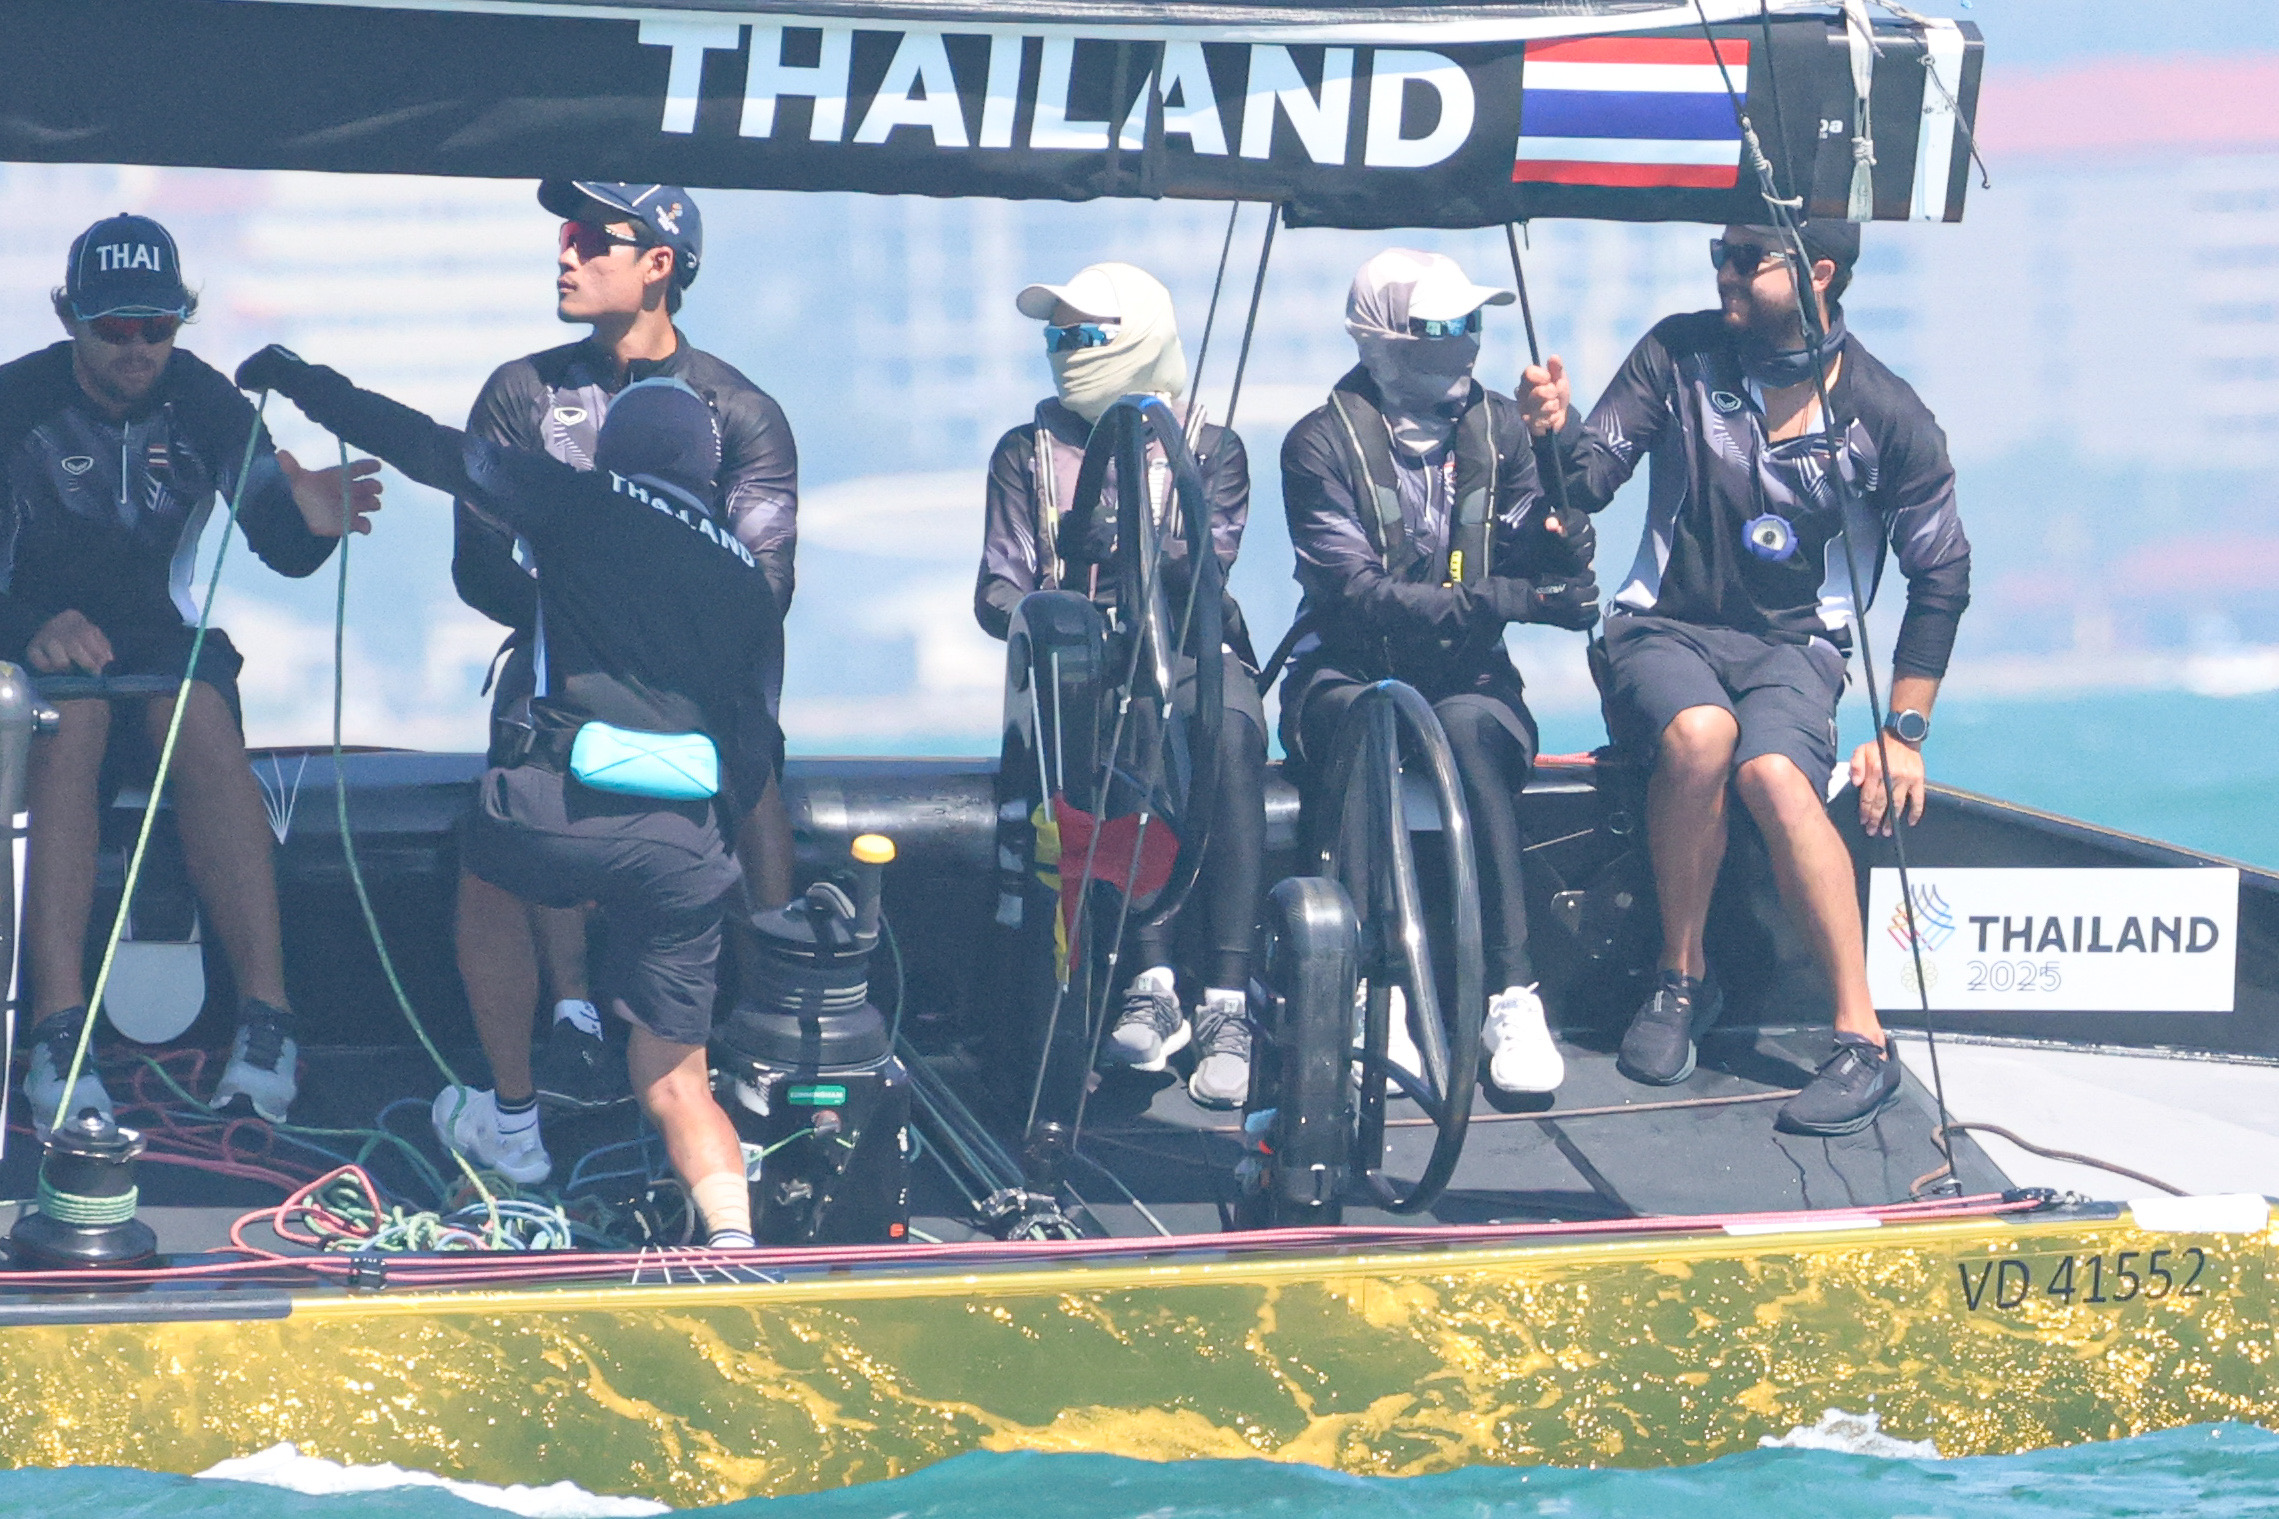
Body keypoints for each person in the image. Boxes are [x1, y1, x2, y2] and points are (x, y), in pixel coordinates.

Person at [239, 343, 780, 1248]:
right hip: (688, 845)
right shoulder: (747, 580)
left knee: (490, 863)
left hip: (553, 813)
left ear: (615, 452)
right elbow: (755, 741)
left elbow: (428, 447)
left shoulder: (579, 497)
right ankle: (733, 1236)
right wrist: (710, 845)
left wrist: (302, 382)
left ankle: (514, 1122)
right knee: (679, 1081)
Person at [1519, 220, 1971, 1136]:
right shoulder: (1677, 355)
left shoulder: (1888, 414)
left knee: (1771, 773)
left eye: (1741, 259)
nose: (1720, 272)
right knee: (1701, 736)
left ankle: (1862, 1040)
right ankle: (1679, 979)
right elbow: (1588, 481)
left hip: (1796, 652)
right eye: (1716, 254)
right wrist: (1553, 434)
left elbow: (1942, 575)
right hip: (1662, 629)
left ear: (1816, 272)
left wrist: (1903, 733)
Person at [0, 214, 380, 1132]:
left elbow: (282, 545)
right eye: (113, 327)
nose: (137, 348)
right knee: (73, 722)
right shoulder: (16, 401)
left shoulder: (205, 401)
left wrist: (315, 522)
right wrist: (32, 624)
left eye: (157, 326)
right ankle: (59, 1031)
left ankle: (266, 1020)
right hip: (31, 647)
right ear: (70, 317)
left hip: (158, 644)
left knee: (197, 711)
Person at [453, 181, 799, 1116]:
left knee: (752, 742)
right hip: (561, 668)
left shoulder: (739, 407)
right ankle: (570, 1014)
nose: (564, 254)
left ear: (659, 264)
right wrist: (579, 622)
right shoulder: (520, 391)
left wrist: (650, 638)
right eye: (562, 236)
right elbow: (477, 566)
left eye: (588, 238)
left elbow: (767, 588)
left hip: (702, 679)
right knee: (533, 730)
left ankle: (776, 1006)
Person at [1279, 249, 1599, 1098]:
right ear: (1379, 339)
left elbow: (1529, 535)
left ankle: (1511, 992)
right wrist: (1505, 597)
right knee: (1373, 722)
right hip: (1343, 671)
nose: (1460, 340)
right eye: (1438, 327)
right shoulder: (1315, 445)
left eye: (1469, 323)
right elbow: (1355, 595)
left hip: (1468, 678)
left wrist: (1560, 543)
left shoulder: (1501, 429)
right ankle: (1369, 992)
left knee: (1466, 731)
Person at [974, 262, 1267, 1109]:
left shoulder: (1212, 447)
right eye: (1057, 336)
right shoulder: (1023, 452)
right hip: (1081, 668)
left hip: (1190, 648)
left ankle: (1226, 1001)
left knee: (1228, 728)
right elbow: (995, 590)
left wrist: (1128, 540)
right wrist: (1057, 609)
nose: (1068, 349)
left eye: (1087, 334)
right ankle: (1149, 980)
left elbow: (1207, 565)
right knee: (1127, 719)